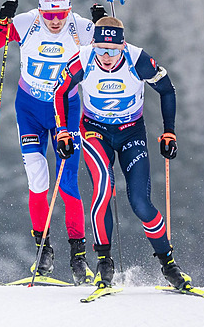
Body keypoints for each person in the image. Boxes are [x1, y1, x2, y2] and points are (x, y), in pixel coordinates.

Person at [53, 15, 192, 289]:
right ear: (93, 45)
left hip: (131, 132)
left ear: (123, 47)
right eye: (101, 50)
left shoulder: (137, 60)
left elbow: (167, 89)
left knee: (141, 203)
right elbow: (60, 91)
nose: (106, 57)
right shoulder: (82, 60)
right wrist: (62, 131)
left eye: (113, 51)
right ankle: (104, 262)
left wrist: (170, 131)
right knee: (103, 189)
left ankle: (168, 264)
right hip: (95, 133)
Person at [0, 0, 97, 285]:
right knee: (37, 180)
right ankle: (43, 255)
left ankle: (78, 259)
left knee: (67, 185)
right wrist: (0, 24)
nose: (55, 21)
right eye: (49, 14)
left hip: (66, 111)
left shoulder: (81, 27)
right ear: (40, 9)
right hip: (30, 110)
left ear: (69, 9)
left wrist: (104, 25)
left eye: (61, 14)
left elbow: (115, 53)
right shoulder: (26, 23)